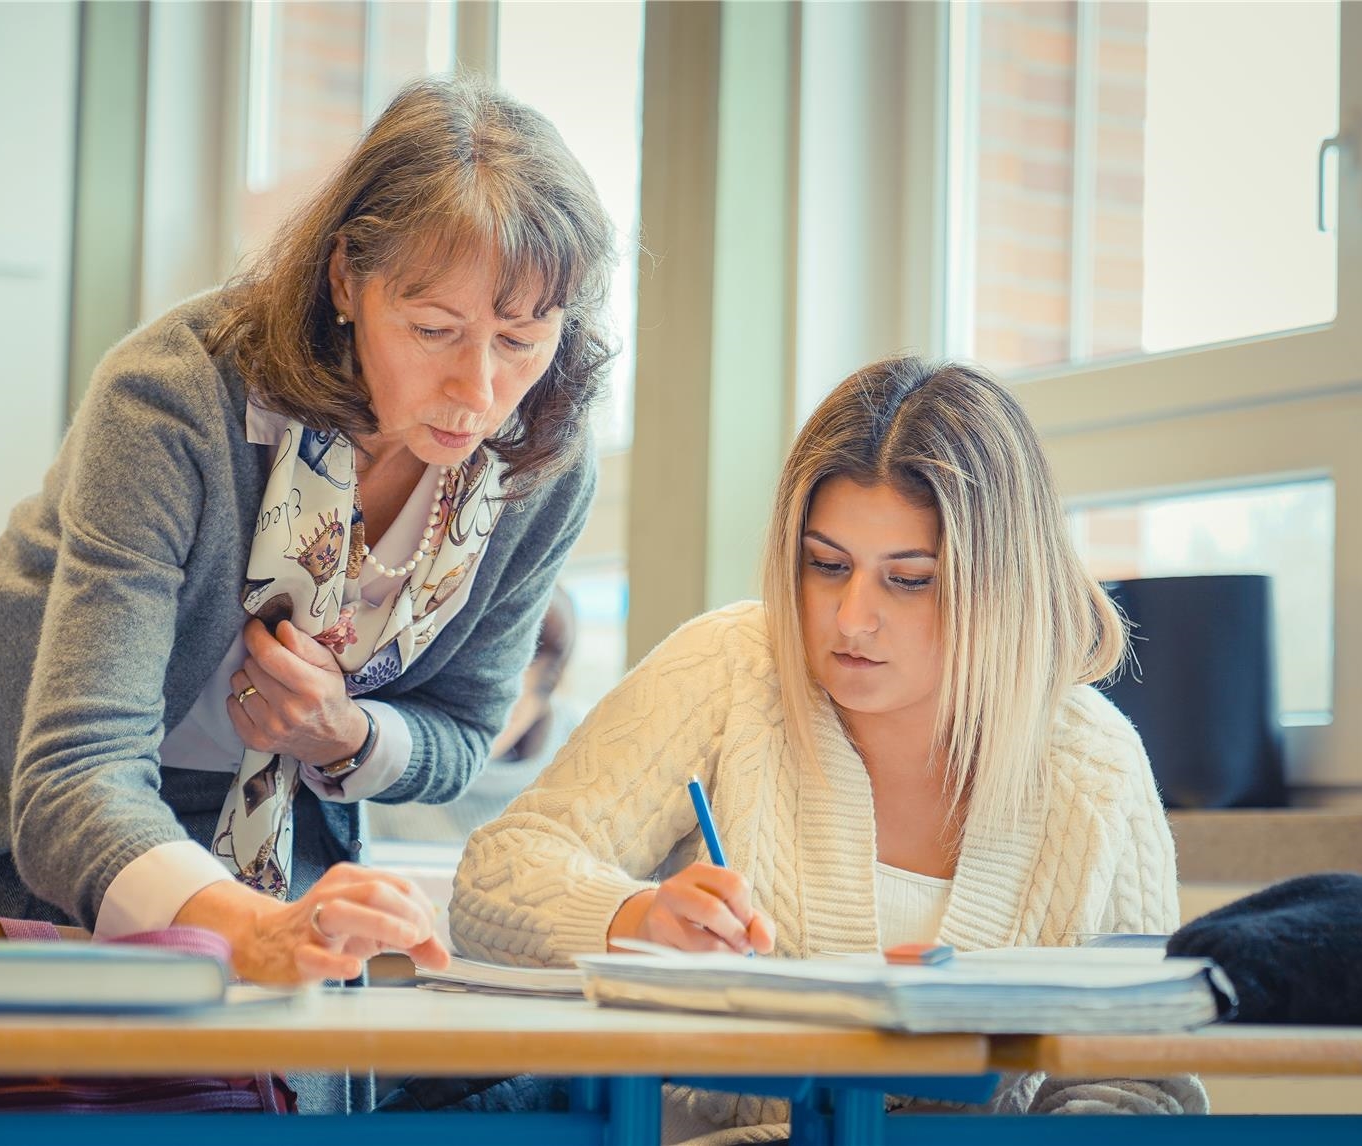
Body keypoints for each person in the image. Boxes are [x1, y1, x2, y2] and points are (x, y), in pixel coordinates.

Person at [0, 75, 616, 1012]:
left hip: (275, 830)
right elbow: (74, 778)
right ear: (346, 278)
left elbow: (461, 731)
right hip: (10, 819)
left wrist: (346, 733)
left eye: (520, 337)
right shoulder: (176, 394)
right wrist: (255, 932)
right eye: (434, 330)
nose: (478, 387)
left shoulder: (540, 464)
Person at [449, 357, 1205, 1141]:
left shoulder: (1096, 767)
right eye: (826, 565)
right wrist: (636, 917)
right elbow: (495, 880)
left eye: (908, 580)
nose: (851, 619)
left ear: (1002, 582)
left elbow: (1137, 1074)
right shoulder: (729, 668)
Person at [366, 584, 579, 844]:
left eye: (509, 712)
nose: (486, 721)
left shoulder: (576, 773)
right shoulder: (380, 756)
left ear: (543, 701)